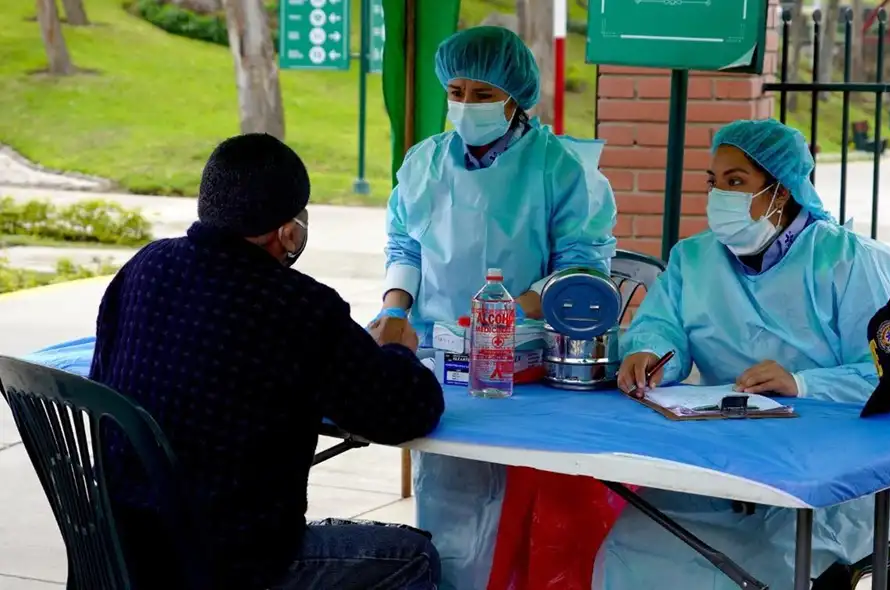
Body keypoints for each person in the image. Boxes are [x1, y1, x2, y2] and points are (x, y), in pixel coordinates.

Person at [90, 133, 445, 590]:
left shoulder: (144, 266)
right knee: (414, 558)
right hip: (232, 564)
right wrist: (396, 350)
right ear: (288, 231)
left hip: (120, 548)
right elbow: (405, 412)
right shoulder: (297, 307)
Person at [597, 119, 890, 589]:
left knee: (767, 566)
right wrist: (648, 354)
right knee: (634, 544)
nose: (719, 195)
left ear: (781, 191)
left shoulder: (849, 262)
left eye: (736, 181)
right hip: (725, 461)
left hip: (832, 470)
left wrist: (803, 384)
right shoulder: (694, 259)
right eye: (713, 181)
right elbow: (662, 325)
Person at [376, 26, 617, 588]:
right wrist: (395, 308)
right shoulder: (424, 163)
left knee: (527, 513)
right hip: (443, 362)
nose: (466, 105)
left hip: (527, 363)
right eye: (456, 92)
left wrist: (511, 312)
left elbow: (582, 262)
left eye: (483, 94)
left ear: (516, 96)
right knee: (451, 508)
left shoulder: (560, 166)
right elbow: (404, 244)